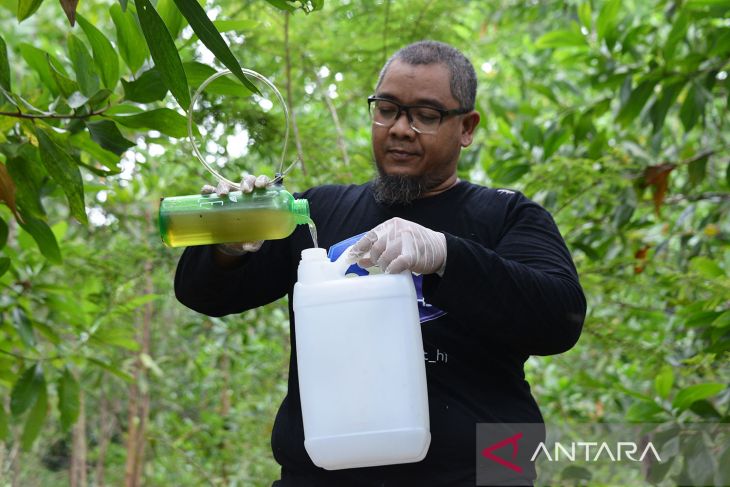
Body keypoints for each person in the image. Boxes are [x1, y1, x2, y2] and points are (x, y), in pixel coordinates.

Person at [175, 40, 586, 486]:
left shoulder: (506, 216)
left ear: (466, 127)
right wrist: (229, 243)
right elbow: (203, 294)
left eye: (426, 115)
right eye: (387, 108)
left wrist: (449, 254)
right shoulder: (319, 211)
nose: (401, 129)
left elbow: (559, 317)